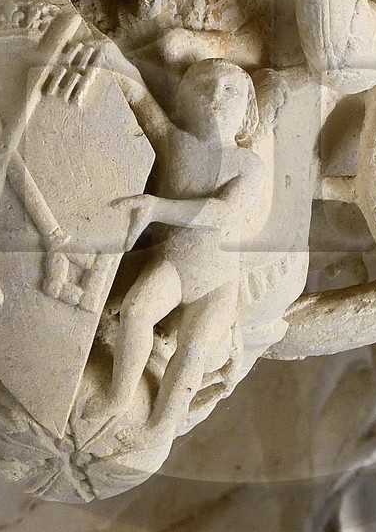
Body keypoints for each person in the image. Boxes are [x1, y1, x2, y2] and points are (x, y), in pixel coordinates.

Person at [103, 59, 270, 436]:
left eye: (230, 90)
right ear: (182, 98)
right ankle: (118, 398)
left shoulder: (248, 165)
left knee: (193, 350)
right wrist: (109, 56)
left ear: (246, 109)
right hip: (173, 265)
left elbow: (222, 213)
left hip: (217, 280)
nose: (215, 96)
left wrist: (156, 208)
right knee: (135, 311)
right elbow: (140, 99)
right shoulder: (175, 143)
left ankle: (161, 423)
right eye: (203, 86)